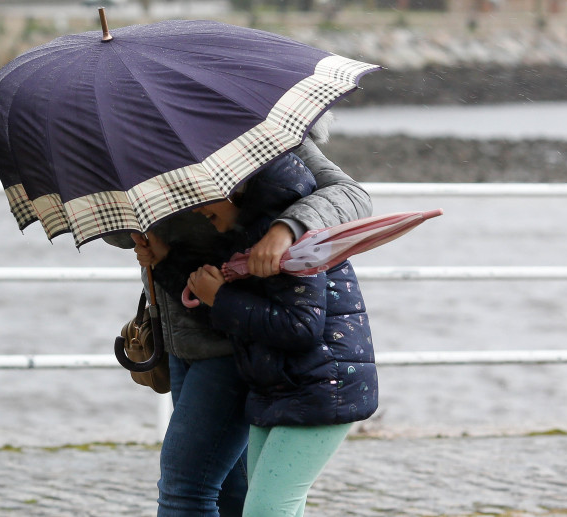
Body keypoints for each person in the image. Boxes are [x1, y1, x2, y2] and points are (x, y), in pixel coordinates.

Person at [110, 118, 373, 517]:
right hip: (184, 329)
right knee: (233, 493)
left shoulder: (251, 127)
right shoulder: (134, 134)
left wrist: (286, 228)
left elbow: (348, 195)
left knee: (187, 488)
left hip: (237, 336)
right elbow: (113, 230)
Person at [180, 154, 377, 517]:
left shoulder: (282, 233)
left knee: (266, 510)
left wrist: (220, 299)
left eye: (196, 190)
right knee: (278, 508)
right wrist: (167, 265)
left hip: (321, 386)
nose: (191, 207)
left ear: (233, 181)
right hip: (280, 386)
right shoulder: (247, 232)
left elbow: (302, 327)